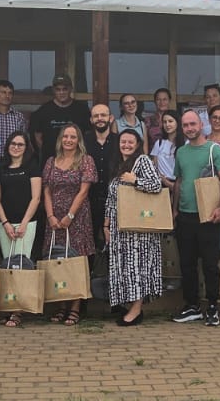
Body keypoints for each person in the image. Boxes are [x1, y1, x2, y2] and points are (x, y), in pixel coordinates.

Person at [172, 109, 220, 326]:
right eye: (185, 125)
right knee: (187, 264)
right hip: (185, 216)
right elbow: (179, 181)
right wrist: (175, 209)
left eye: (193, 124)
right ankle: (192, 306)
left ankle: (213, 306)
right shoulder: (181, 152)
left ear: (201, 125)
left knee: (210, 264)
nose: (189, 128)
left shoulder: (214, 150)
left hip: (208, 216)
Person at [104, 129, 167, 326]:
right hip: (120, 227)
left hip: (139, 228)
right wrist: (106, 224)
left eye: (131, 142)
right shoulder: (118, 165)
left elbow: (156, 185)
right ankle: (129, 305)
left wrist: (135, 181)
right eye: (123, 141)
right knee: (125, 267)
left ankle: (137, 310)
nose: (126, 145)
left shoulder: (143, 161)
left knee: (137, 268)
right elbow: (111, 198)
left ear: (138, 144)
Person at [43, 123, 97, 326]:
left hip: (78, 219)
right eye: (65, 136)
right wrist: (50, 216)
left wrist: (70, 215)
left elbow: (84, 191)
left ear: (78, 140)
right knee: (58, 262)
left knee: (76, 264)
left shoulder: (86, 161)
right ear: (60, 139)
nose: (68, 140)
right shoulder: (51, 161)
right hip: (54, 220)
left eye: (73, 137)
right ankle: (61, 306)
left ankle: (75, 308)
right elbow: (46, 191)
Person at [0, 131, 42, 266]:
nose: (16, 147)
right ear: (8, 145)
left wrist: (24, 223)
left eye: (20, 144)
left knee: (23, 264)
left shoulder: (32, 166)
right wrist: (5, 223)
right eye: (13, 143)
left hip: (27, 223)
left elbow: (36, 198)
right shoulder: (0, 167)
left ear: (26, 147)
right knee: (8, 263)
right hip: (4, 223)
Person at [84, 103, 119, 259]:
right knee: (88, 243)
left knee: (113, 243)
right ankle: (90, 272)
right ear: (91, 120)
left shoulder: (119, 141)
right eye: (96, 116)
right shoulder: (84, 141)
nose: (100, 118)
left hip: (114, 200)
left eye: (103, 115)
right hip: (88, 199)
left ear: (110, 118)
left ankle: (112, 273)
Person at [31, 74, 91, 158]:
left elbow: (89, 134)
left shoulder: (82, 110)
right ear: (53, 90)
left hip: (76, 159)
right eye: (58, 89)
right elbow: (37, 136)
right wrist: (47, 151)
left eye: (65, 89)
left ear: (71, 89)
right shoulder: (43, 111)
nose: (61, 92)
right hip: (50, 159)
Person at [0, 79, 29, 147]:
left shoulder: (19, 117)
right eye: (3, 92)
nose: (7, 96)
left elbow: (23, 141)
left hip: (13, 153)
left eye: (10, 93)